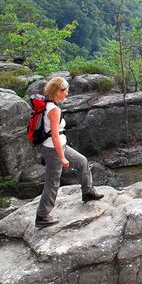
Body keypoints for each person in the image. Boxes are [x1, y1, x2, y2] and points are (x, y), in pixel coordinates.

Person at [35, 76, 104, 229]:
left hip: (60, 145)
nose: (67, 93)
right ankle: (42, 215)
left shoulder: (47, 104)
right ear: (56, 91)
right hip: (54, 149)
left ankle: (88, 192)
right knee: (53, 182)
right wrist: (62, 157)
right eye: (64, 91)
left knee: (82, 161)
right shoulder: (53, 110)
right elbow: (53, 135)